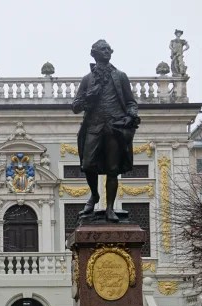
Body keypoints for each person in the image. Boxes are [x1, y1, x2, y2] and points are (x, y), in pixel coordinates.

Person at [72, 39, 141, 222]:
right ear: (94, 53)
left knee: (112, 169)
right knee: (87, 165)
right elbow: (76, 106)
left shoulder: (120, 76)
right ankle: (95, 195)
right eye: (103, 49)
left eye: (109, 49)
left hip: (114, 126)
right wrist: (89, 96)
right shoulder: (87, 79)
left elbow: (131, 102)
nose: (107, 52)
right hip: (94, 126)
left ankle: (110, 208)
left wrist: (131, 116)